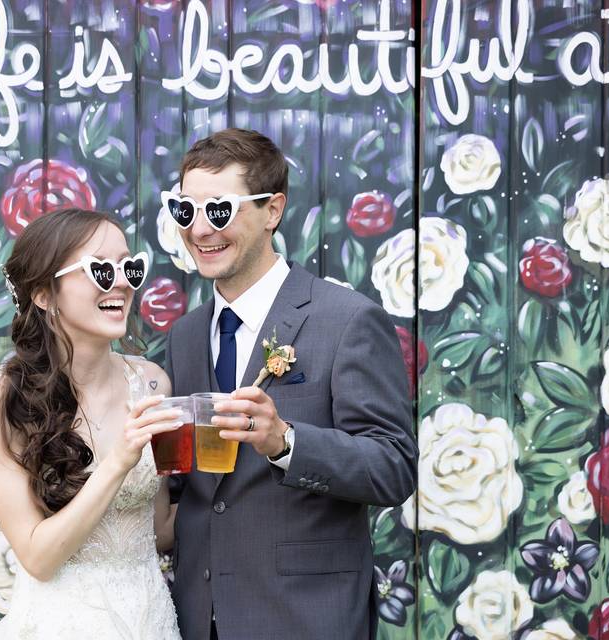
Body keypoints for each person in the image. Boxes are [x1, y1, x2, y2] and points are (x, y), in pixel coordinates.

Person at [162, 129, 418, 640]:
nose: (200, 231)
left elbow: (393, 467)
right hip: (198, 618)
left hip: (305, 618)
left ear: (272, 211)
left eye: (219, 211)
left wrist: (286, 442)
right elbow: (188, 488)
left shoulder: (347, 319)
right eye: (186, 212)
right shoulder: (184, 336)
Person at [0, 208, 184, 639]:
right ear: (44, 294)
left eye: (130, 266)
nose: (122, 281)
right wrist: (118, 462)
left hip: (151, 623)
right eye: (101, 269)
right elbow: (39, 557)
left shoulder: (153, 383)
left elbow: (156, 528)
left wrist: (248, 483)